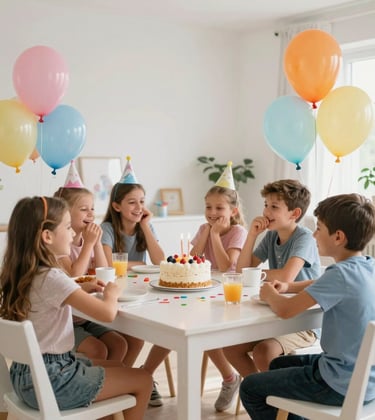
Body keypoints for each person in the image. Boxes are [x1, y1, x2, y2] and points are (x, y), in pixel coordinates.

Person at [0, 196, 152, 419]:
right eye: (68, 227)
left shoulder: (20, 273)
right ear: (47, 236)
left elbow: (50, 294)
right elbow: (108, 314)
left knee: (116, 366)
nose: (73, 233)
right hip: (54, 379)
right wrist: (112, 293)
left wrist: (80, 287)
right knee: (143, 379)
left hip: (25, 377)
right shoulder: (53, 277)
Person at [239, 193, 375, 420]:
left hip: (338, 383)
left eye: (319, 228)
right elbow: (321, 283)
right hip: (364, 379)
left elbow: (285, 310)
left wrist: (271, 294)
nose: (314, 234)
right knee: (278, 366)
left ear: (338, 237)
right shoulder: (367, 267)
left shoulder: (339, 274)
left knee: (251, 388)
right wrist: (288, 286)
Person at [140, 162, 248, 411]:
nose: (212, 212)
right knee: (174, 326)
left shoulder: (238, 231)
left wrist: (214, 236)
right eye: (208, 207)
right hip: (201, 291)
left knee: (197, 331)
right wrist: (206, 233)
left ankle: (229, 378)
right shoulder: (203, 227)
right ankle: (146, 374)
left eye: (219, 207)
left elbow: (225, 266)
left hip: (226, 295)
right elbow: (192, 258)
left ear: (233, 210)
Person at [224, 179, 321, 377]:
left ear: (294, 214)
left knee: (264, 352)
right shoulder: (271, 235)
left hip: (304, 322)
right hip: (276, 315)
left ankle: (279, 401)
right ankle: (260, 395)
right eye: (266, 205)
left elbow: (287, 276)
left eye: (274, 207)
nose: (266, 212)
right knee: (230, 346)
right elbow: (242, 270)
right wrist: (251, 235)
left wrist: (255, 274)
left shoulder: (304, 238)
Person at [54, 162, 144, 367]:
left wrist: (94, 245)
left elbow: (105, 273)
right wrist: (89, 246)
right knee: (99, 349)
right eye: (84, 209)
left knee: (119, 344)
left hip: (87, 316)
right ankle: (100, 389)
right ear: (65, 214)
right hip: (66, 320)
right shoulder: (59, 248)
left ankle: (117, 384)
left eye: (92, 209)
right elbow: (74, 278)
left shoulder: (87, 240)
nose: (91, 214)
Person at [101, 156, 164, 269]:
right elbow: (108, 265)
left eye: (142, 201)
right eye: (132, 202)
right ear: (116, 206)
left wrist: (144, 226)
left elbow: (160, 261)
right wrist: (141, 264)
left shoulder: (147, 226)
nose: (139, 207)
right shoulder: (106, 229)